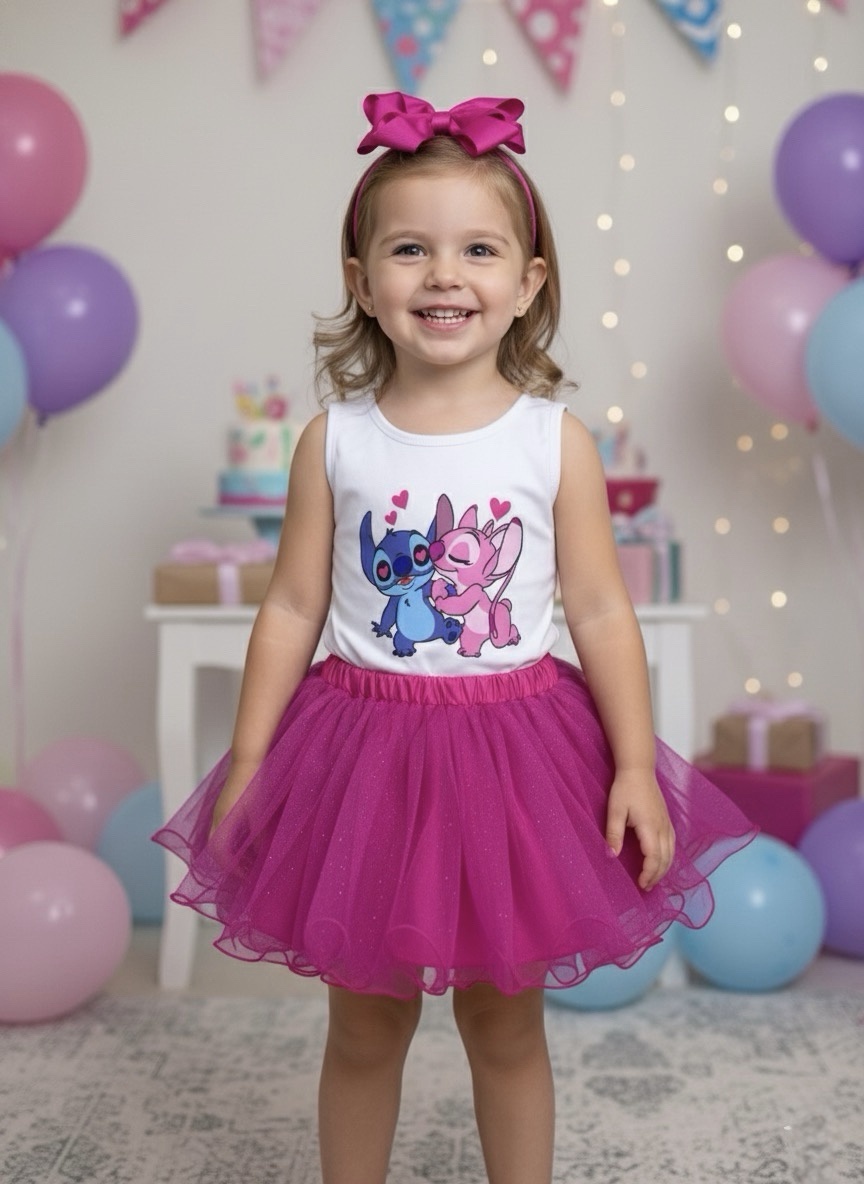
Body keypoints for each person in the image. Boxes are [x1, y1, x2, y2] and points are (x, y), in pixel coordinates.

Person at [154, 92, 757, 1184]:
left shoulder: (553, 441)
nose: (444, 274)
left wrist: (633, 763)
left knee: (505, 1024)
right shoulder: (333, 440)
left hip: (512, 760)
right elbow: (290, 607)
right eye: (410, 249)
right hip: (363, 759)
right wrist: (248, 759)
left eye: (479, 249)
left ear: (528, 283)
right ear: (361, 279)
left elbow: (600, 609)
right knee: (364, 1025)